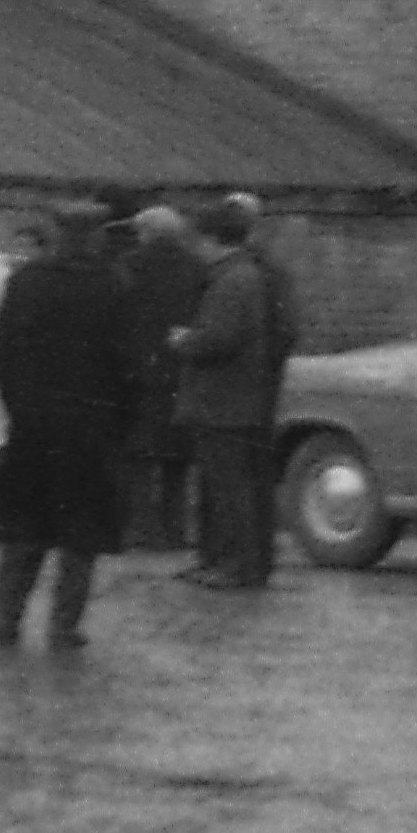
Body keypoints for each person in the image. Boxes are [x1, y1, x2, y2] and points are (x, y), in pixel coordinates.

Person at [0, 200, 139, 648]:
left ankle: (5, 621)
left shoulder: (24, 282)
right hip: (91, 429)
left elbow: (0, 359)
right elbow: (130, 366)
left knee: (23, 529)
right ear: (96, 236)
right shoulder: (114, 286)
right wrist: (120, 422)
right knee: (81, 535)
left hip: (32, 428)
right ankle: (63, 626)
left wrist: (21, 407)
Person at [171, 193, 286, 590]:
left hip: (223, 402)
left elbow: (220, 338)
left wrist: (185, 341)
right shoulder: (243, 275)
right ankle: (228, 561)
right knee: (229, 486)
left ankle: (237, 564)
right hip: (236, 401)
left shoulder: (232, 280)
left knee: (229, 488)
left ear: (212, 238)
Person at [120, 200, 208, 552]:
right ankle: (175, 530)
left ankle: (141, 528)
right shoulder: (197, 268)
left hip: (140, 373)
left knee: (138, 457)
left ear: (147, 233)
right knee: (177, 459)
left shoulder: (129, 266)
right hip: (182, 371)